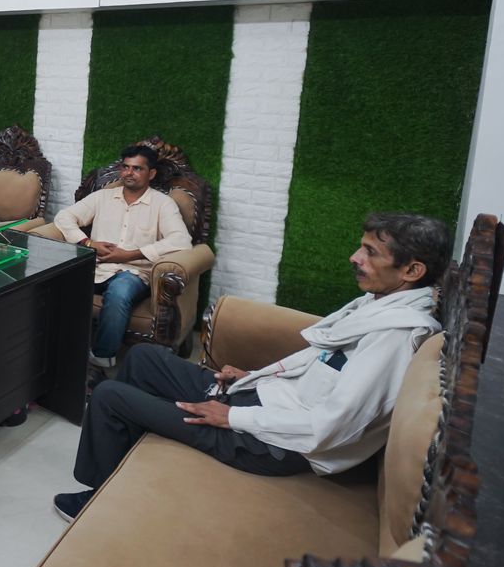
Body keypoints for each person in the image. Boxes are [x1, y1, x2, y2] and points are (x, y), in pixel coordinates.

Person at [51, 212, 449, 522]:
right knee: (143, 357)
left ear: (412, 271)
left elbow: (330, 426)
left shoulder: (394, 338)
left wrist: (231, 416)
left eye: (371, 253)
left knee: (109, 395)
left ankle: (97, 498)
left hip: (272, 444)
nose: (355, 258)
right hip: (265, 401)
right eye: (361, 248)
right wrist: (254, 377)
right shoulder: (380, 305)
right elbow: (321, 362)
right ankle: (128, 463)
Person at [54, 144, 192, 386]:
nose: (129, 173)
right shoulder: (103, 197)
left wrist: (129, 255)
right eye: (126, 167)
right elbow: (64, 217)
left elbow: (181, 240)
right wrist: (88, 242)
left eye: (137, 168)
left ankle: (100, 360)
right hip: (96, 267)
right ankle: (58, 351)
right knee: (58, 285)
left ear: (151, 173)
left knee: (119, 292)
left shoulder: (163, 204)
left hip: (134, 272)